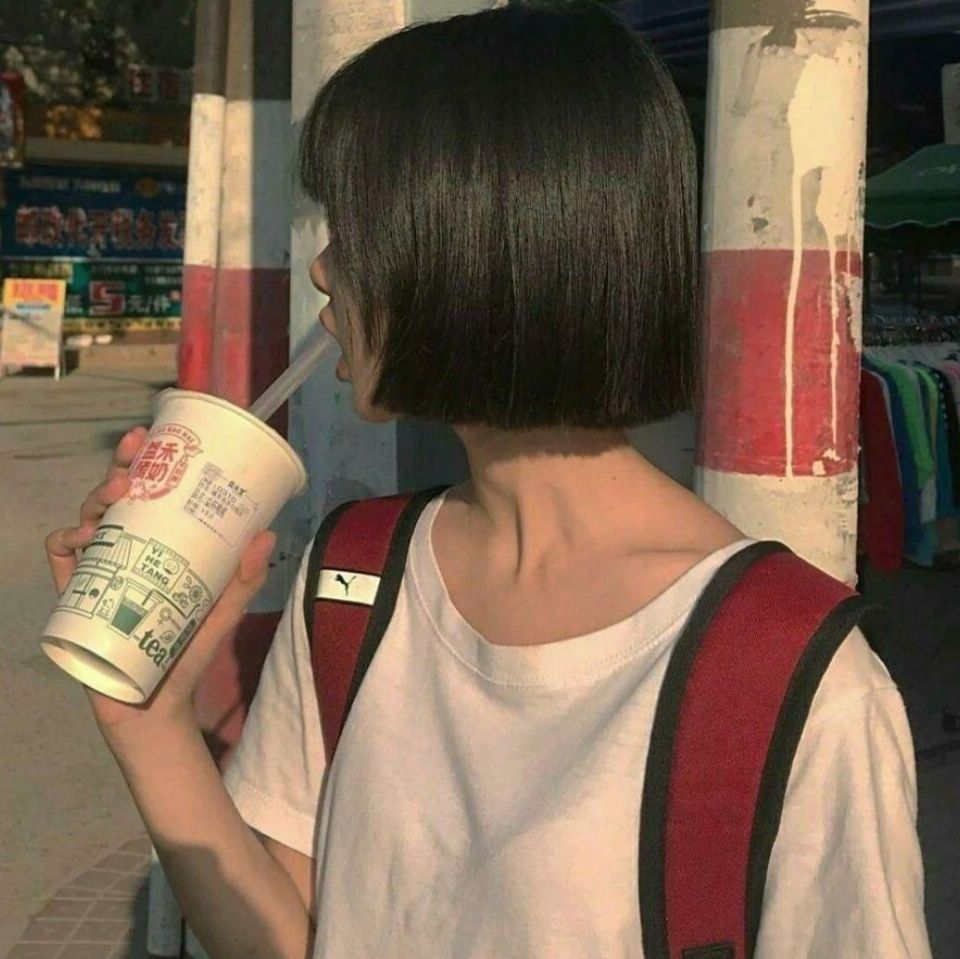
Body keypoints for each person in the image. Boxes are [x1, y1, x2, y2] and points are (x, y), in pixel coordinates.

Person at [45, 3, 931, 957]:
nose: (325, 270)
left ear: (475, 239)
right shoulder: (355, 575)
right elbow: (289, 937)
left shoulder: (793, 675)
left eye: (357, 225)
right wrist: (147, 719)